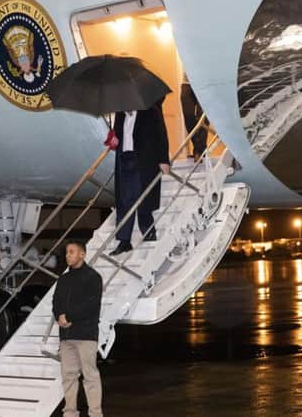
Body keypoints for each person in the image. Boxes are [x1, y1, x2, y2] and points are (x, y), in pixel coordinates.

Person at [110, 100, 170, 256]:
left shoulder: (150, 110)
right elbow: (118, 135)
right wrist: (113, 139)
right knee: (124, 200)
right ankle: (124, 241)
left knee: (142, 196)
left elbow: (161, 133)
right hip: (124, 158)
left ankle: (148, 230)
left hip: (142, 159)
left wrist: (163, 159)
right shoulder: (120, 113)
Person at [52, 241, 104, 417]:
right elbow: (56, 302)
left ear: (82, 254)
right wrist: (59, 316)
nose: (68, 255)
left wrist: (69, 317)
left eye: (72, 252)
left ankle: (95, 413)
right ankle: (70, 413)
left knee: (90, 377)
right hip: (66, 336)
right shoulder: (63, 279)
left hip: (86, 336)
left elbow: (91, 305)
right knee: (68, 377)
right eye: (67, 252)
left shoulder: (93, 277)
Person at [180, 80, 209, 162]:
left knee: (203, 117)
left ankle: (199, 151)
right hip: (186, 83)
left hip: (204, 82)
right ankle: (199, 148)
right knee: (188, 116)